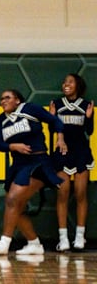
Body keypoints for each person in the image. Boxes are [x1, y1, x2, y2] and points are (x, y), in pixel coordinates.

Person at [0, 89, 66, 255]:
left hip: (37, 162)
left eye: (7, 98)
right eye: (1, 98)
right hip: (17, 164)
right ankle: (34, 244)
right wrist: (13, 146)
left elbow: (55, 121)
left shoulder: (30, 109)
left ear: (17, 100)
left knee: (12, 199)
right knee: (17, 206)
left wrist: (60, 138)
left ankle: (4, 242)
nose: (3, 101)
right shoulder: (2, 119)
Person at [49, 73, 93, 251]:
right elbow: (52, 129)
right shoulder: (57, 104)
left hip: (81, 152)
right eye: (64, 81)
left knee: (81, 193)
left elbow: (89, 131)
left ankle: (80, 238)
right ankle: (63, 238)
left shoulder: (85, 104)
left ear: (78, 86)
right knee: (63, 194)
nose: (66, 84)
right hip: (62, 151)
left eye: (70, 82)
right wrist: (52, 117)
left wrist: (89, 117)